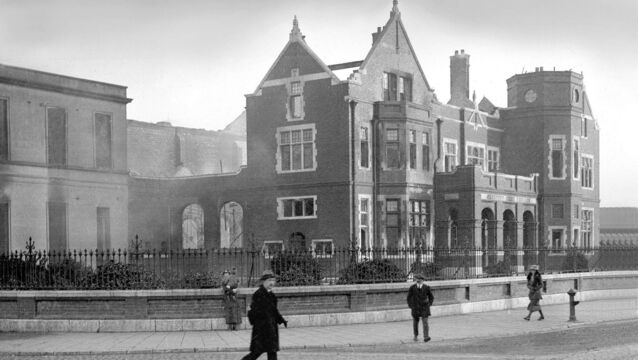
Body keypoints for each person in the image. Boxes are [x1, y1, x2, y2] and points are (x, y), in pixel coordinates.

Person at [242, 270, 288, 360]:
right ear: (263, 281)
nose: (272, 283)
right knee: (256, 353)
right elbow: (253, 312)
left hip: (271, 328)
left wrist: (281, 319)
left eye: (273, 280)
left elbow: (274, 310)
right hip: (261, 330)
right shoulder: (258, 294)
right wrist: (259, 323)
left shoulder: (271, 295)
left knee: (272, 352)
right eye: (269, 280)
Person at [407, 273, 434, 342]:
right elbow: (409, 297)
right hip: (415, 307)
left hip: (424, 307)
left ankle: (426, 337)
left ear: (422, 280)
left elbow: (431, 297)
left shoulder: (426, 287)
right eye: (417, 279)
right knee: (415, 322)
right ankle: (415, 335)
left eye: (420, 280)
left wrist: (429, 304)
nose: (418, 281)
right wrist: (411, 305)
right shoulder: (412, 288)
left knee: (425, 322)